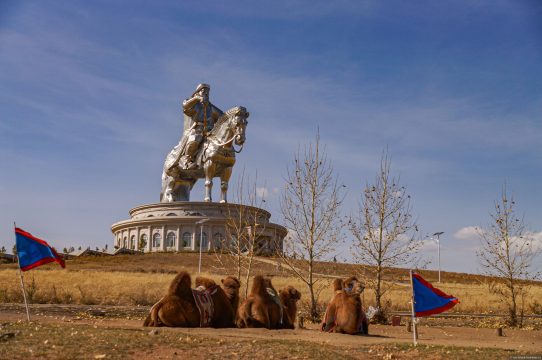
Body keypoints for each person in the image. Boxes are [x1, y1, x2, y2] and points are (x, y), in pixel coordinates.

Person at [179, 83, 223, 170]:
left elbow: (222, 117)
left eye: (207, 92)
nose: (206, 93)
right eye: (204, 91)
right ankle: (186, 160)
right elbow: (185, 106)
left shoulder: (211, 107)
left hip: (210, 131)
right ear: (198, 92)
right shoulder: (194, 104)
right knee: (195, 139)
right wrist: (196, 98)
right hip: (197, 129)